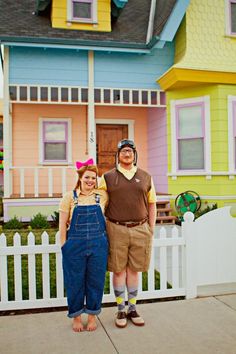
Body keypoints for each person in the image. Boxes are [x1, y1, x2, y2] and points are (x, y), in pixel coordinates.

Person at [99, 139, 157, 328]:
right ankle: (120, 309)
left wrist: (151, 228)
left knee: (133, 270)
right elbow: (101, 203)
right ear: (118, 155)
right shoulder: (107, 177)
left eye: (130, 151)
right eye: (123, 151)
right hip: (116, 228)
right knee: (118, 270)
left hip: (140, 228)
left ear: (134, 155)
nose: (126, 154)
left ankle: (132, 308)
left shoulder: (146, 177)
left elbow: (152, 203)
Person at [59, 158, 108, 332]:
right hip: (74, 246)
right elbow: (62, 225)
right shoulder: (69, 197)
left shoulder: (101, 196)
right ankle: (77, 317)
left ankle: (92, 316)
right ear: (80, 178)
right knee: (75, 282)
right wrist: (65, 246)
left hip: (98, 245)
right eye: (87, 177)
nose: (90, 181)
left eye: (93, 178)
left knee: (95, 281)